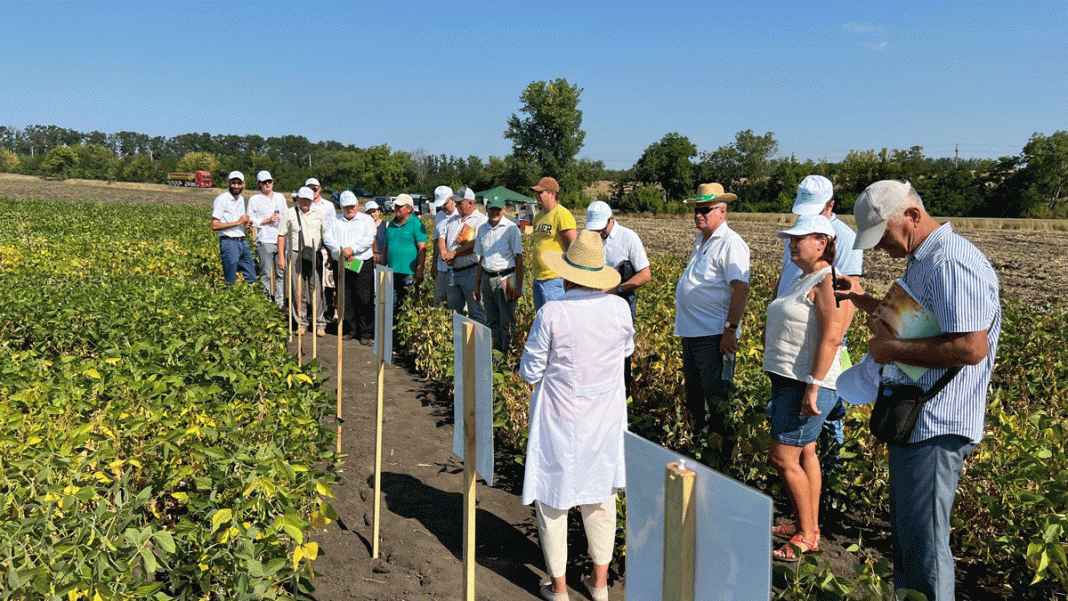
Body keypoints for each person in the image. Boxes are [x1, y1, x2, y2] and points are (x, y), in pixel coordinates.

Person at [836, 180, 1001, 601]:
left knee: (926, 544)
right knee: (912, 536)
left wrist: (889, 348)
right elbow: (920, 326)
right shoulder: (924, 260)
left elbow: (970, 346)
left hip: (937, 423)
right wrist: (866, 301)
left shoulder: (950, 261)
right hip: (918, 421)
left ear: (911, 215)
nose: (879, 248)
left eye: (883, 235)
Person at [520, 230, 633, 601]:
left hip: (561, 419)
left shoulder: (553, 312)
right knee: (600, 499)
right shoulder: (618, 309)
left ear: (567, 274)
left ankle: (559, 588)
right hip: (604, 419)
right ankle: (599, 585)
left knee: (553, 500)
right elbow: (626, 350)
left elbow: (531, 371)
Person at [762, 214, 854, 561]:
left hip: (806, 383)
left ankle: (805, 535)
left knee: (781, 457)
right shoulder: (804, 278)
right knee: (806, 453)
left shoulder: (827, 281)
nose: (791, 244)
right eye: (790, 239)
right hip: (792, 379)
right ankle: (809, 525)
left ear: (822, 242)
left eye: (798, 238)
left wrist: (814, 386)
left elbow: (832, 334)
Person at [773, 175, 864, 498]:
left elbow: (843, 304)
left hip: (818, 343)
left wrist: (821, 365)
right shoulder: (800, 235)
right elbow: (785, 280)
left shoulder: (845, 239)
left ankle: (830, 490)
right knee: (803, 442)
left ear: (831, 206)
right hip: (791, 344)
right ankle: (807, 506)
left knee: (824, 420)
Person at [673, 182, 750, 472]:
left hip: (714, 337)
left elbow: (741, 288)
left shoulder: (731, 243)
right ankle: (699, 455)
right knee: (695, 400)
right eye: (696, 209)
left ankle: (721, 465)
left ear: (722, 210)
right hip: (692, 334)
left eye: (704, 209)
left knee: (718, 403)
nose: (698, 214)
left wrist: (730, 329)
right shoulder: (701, 241)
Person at [585, 200, 650, 398]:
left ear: (612, 219)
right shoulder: (591, 237)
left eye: (601, 228)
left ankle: (623, 392)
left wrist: (616, 289)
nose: (599, 233)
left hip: (622, 301)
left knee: (620, 350)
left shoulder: (628, 238)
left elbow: (645, 275)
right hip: (596, 301)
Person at [276, 186, 338, 336]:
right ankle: (301, 322)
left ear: (312, 200)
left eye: (308, 199)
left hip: (314, 254)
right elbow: (281, 235)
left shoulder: (319, 214)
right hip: (295, 254)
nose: (305, 202)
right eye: (302, 199)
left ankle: (319, 323)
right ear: (297, 199)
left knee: (315, 288)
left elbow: (326, 236)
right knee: (297, 289)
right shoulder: (289, 214)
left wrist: (329, 254)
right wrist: (282, 257)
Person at [473, 197, 523, 353]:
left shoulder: (511, 228)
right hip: (487, 277)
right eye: (491, 208)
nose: (494, 212)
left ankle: (507, 356)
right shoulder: (482, 229)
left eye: (497, 209)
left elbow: (518, 258)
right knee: (492, 319)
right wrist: (477, 284)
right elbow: (482, 257)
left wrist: (518, 286)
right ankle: (495, 354)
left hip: (507, 278)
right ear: (486, 209)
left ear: (504, 210)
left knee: (506, 321)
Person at [331, 191, 376, 344]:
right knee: (346, 297)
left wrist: (353, 250)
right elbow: (328, 237)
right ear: (341, 207)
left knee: (364, 297)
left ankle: (366, 332)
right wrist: (343, 250)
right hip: (342, 261)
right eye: (346, 207)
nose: (349, 209)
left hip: (361, 262)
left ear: (357, 205)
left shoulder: (366, 220)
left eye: (352, 206)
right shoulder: (334, 220)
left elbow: (369, 238)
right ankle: (351, 329)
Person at [530, 176, 577, 311]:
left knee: (555, 321)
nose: (537, 195)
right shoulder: (538, 217)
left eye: (541, 192)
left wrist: (570, 276)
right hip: (538, 278)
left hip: (555, 278)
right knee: (542, 320)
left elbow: (573, 246)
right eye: (536, 192)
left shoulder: (562, 214)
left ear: (552, 194)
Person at [440, 187, 487, 322]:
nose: (457, 206)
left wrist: (454, 253)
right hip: (453, 271)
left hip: (471, 271)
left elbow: (475, 244)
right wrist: (444, 253)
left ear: (470, 203)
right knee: (453, 312)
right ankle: (458, 342)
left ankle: (478, 342)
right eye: (456, 203)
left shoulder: (480, 220)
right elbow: (442, 238)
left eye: (460, 203)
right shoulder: (452, 220)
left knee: (476, 311)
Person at [380, 193, 427, 315]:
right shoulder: (391, 224)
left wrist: (420, 270)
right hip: (391, 272)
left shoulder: (417, 224)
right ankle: (393, 333)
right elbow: (386, 247)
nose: (397, 209)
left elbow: (423, 248)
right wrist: (382, 266)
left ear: (409, 209)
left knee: (407, 304)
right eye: (396, 206)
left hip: (408, 273)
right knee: (392, 304)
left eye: (400, 206)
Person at [246, 170, 288, 306]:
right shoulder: (254, 200)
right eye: (264, 182)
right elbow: (250, 220)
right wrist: (267, 220)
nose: (268, 184)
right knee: (266, 274)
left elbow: (286, 215)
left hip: (280, 239)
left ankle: (280, 303)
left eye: (269, 181)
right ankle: (266, 302)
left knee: (281, 273)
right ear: (259, 184)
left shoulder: (280, 197)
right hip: (265, 239)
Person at [210, 171, 257, 285]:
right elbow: (214, 225)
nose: (236, 186)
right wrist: (237, 222)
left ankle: (246, 300)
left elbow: (239, 221)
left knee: (252, 277)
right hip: (229, 242)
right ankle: (229, 300)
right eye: (233, 183)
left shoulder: (240, 199)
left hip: (242, 241)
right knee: (230, 280)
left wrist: (245, 224)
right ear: (228, 183)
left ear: (243, 184)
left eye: (239, 183)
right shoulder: (222, 199)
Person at [430, 185, 456, 307]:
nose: (443, 207)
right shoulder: (439, 216)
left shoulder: (460, 215)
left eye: (445, 204)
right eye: (441, 205)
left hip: (456, 267)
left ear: (452, 199)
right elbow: (436, 241)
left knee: (453, 302)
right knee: (438, 300)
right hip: (441, 268)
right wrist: (434, 263)